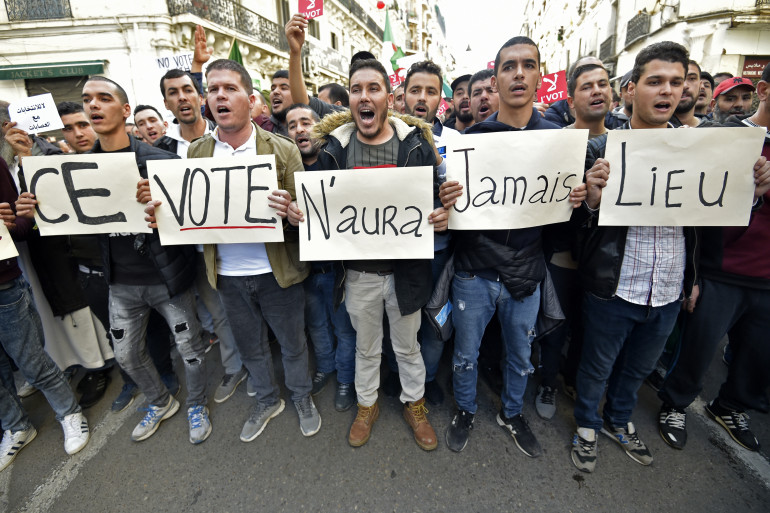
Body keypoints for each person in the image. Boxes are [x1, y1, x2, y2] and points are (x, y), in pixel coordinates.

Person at [148, 59, 321, 440]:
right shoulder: (195, 154)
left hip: (278, 273)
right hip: (226, 276)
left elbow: (304, 214)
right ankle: (266, 399)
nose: (220, 96)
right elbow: (185, 211)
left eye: (230, 88)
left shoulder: (283, 149)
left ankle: (301, 396)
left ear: (250, 98)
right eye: (213, 89)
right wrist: (161, 215)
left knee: (293, 344)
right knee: (250, 347)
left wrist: (293, 212)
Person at [439, 37, 586, 455]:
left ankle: (511, 411)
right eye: (508, 66)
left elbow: (562, 225)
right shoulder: (473, 140)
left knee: (522, 356)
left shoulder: (559, 141)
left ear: (540, 75)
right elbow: (456, 214)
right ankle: (465, 408)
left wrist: (575, 201)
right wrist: (447, 201)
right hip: (474, 273)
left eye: (527, 65)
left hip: (527, 274)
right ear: (496, 78)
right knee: (466, 354)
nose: (518, 73)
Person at [292, 58, 445, 451]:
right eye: (356, 89)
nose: (364, 96)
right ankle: (367, 405)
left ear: (388, 99)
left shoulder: (415, 145)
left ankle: (416, 405)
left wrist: (442, 214)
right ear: (350, 99)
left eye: (373, 89)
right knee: (365, 347)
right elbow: (319, 208)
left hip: (406, 274)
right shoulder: (333, 150)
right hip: (359, 275)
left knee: (408, 347)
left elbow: (433, 200)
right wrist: (299, 213)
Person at [570, 41, 700, 473]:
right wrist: (590, 198)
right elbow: (579, 227)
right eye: (655, 82)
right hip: (615, 284)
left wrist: (751, 191)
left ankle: (619, 420)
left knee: (638, 369)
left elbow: (716, 214)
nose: (667, 91)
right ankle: (587, 425)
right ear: (631, 90)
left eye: (676, 83)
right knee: (597, 364)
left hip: (666, 286)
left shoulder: (703, 150)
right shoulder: (602, 149)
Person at [80, 76, 209, 444]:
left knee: (192, 350)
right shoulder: (77, 170)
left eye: (104, 98)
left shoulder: (162, 162)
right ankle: (159, 401)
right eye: (88, 99)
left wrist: (164, 203)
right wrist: (36, 209)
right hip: (120, 283)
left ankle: (197, 403)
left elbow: (192, 217)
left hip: (166, 278)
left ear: (124, 111)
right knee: (127, 355)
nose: (93, 106)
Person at [657, 62, 770, 453]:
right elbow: (694, 206)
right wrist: (695, 274)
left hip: (766, 278)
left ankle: (732, 406)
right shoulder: (725, 136)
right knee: (698, 347)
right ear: (765, 90)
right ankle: (675, 404)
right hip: (722, 268)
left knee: (757, 353)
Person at [153, 68, 248, 405]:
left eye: (188, 90)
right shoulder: (157, 151)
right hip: (183, 252)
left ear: (200, 96)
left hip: (227, 246)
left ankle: (237, 367)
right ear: (166, 102)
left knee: (226, 312)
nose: (182, 97)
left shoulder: (227, 135)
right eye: (173, 92)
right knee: (202, 315)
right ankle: (231, 365)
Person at [534, 62, 613, 420]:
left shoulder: (628, 141)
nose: (596, 91)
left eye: (603, 84)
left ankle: (573, 377)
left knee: (589, 328)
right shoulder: (554, 142)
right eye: (587, 86)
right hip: (562, 256)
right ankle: (548, 380)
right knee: (556, 324)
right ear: (570, 100)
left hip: (608, 259)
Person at [0, 156, 90, 471]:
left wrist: (11, 223)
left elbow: (24, 222)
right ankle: (15, 426)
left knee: (32, 363)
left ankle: (69, 413)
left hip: (3, 287)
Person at [285, 103, 358, 412]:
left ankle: (345, 378)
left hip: (339, 268)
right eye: (292, 125)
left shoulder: (339, 164)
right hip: (306, 269)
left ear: (319, 128)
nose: (300, 129)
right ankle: (325, 367)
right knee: (316, 325)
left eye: (306, 122)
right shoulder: (285, 174)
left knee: (343, 327)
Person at [402, 60, 459, 405]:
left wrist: (452, 214)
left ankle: (430, 379)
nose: (422, 98)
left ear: (442, 99)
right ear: (402, 95)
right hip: (400, 252)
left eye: (431, 91)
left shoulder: (455, 140)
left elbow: (470, 195)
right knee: (402, 321)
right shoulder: (385, 137)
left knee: (436, 319)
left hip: (439, 251)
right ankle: (402, 379)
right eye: (415, 90)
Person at [672, 61, 711, 127]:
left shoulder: (716, 131)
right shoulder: (652, 128)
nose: (684, 86)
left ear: (700, 85)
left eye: (692, 78)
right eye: (676, 80)